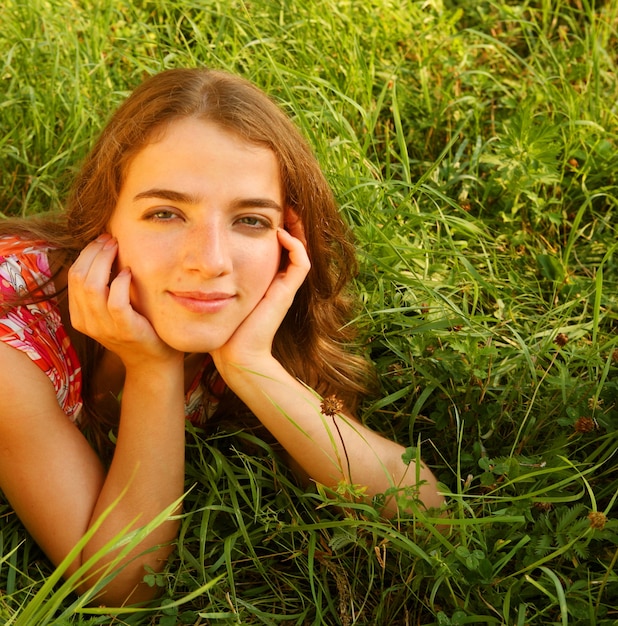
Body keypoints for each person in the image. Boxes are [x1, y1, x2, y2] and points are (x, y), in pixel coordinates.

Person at [0, 68, 444, 606]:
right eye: (165, 213)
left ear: (289, 239)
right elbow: (119, 587)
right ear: (103, 223)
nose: (210, 261)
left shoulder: (257, 312)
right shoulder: (11, 352)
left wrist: (251, 362)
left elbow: (426, 514)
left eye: (250, 221)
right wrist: (153, 369)